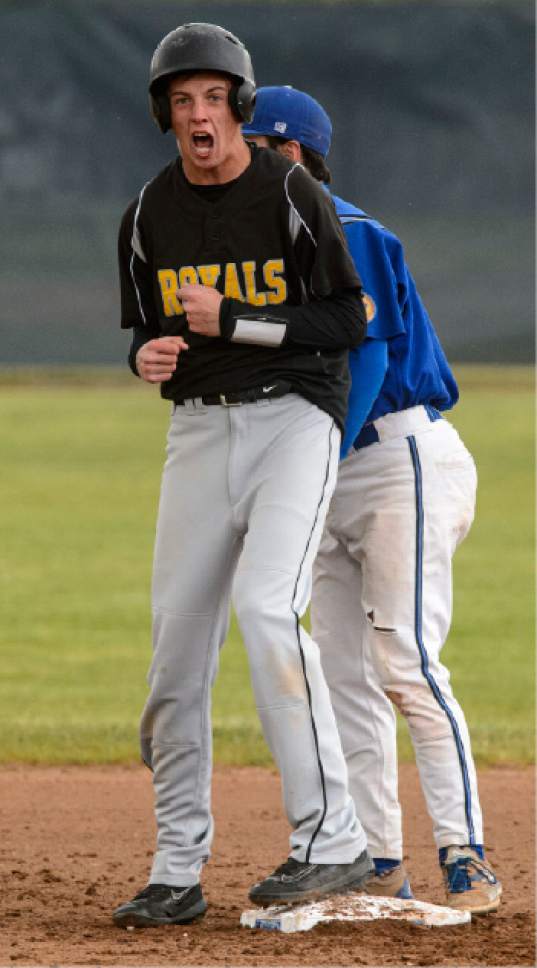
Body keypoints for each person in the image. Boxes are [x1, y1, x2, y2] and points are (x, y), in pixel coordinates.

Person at [112, 26, 374, 929]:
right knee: (174, 658)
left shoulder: (291, 191)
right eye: (182, 100)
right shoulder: (149, 213)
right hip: (196, 436)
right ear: (165, 114)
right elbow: (147, 335)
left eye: (213, 98)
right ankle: (175, 866)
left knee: (268, 609)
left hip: (294, 421)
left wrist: (236, 321)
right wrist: (145, 355)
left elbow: (344, 320)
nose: (198, 115)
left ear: (239, 108)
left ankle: (330, 838)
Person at [243, 86, 502, 915]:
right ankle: (378, 858)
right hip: (318, 469)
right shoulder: (259, 248)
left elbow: (370, 362)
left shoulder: (349, 230)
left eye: (250, 143)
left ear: (290, 153)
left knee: (405, 664)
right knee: (340, 674)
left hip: (398, 460)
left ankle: (465, 852)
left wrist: (308, 460)